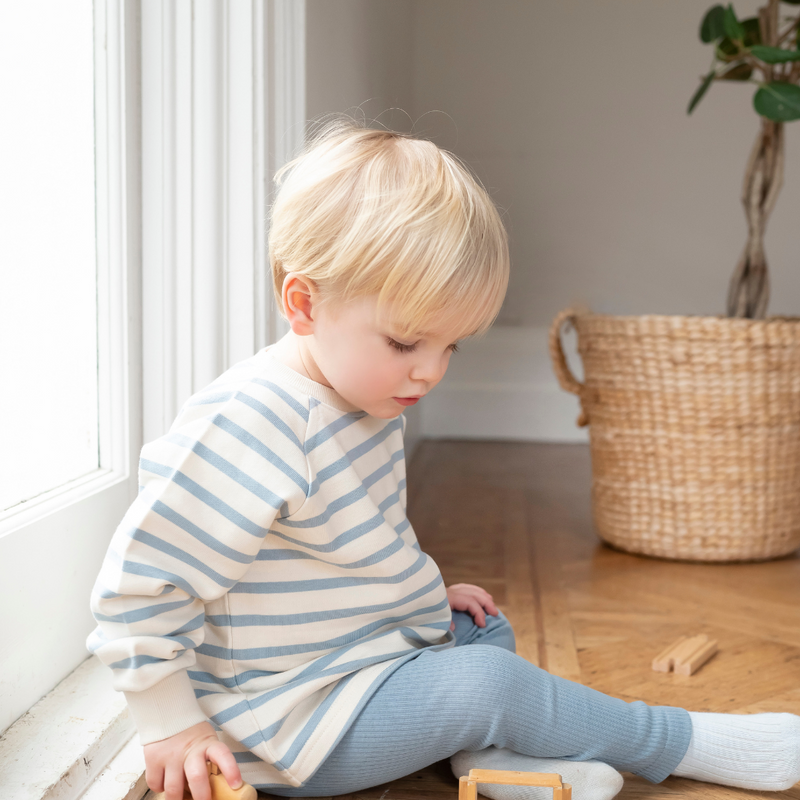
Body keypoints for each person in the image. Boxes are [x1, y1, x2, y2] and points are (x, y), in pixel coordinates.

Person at [88, 120, 800, 800]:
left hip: (360, 662)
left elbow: (353, 549)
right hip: (293, 725)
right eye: (406, 343)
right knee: (493, 685)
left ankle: (490, 759)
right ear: (303, 303)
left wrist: (422, 599)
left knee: (483, 626)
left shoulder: (363, 396)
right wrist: (170, 724)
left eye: (450, 346)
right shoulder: (251, 422)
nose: (429, 372)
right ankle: (675, 743)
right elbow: (140, 589)